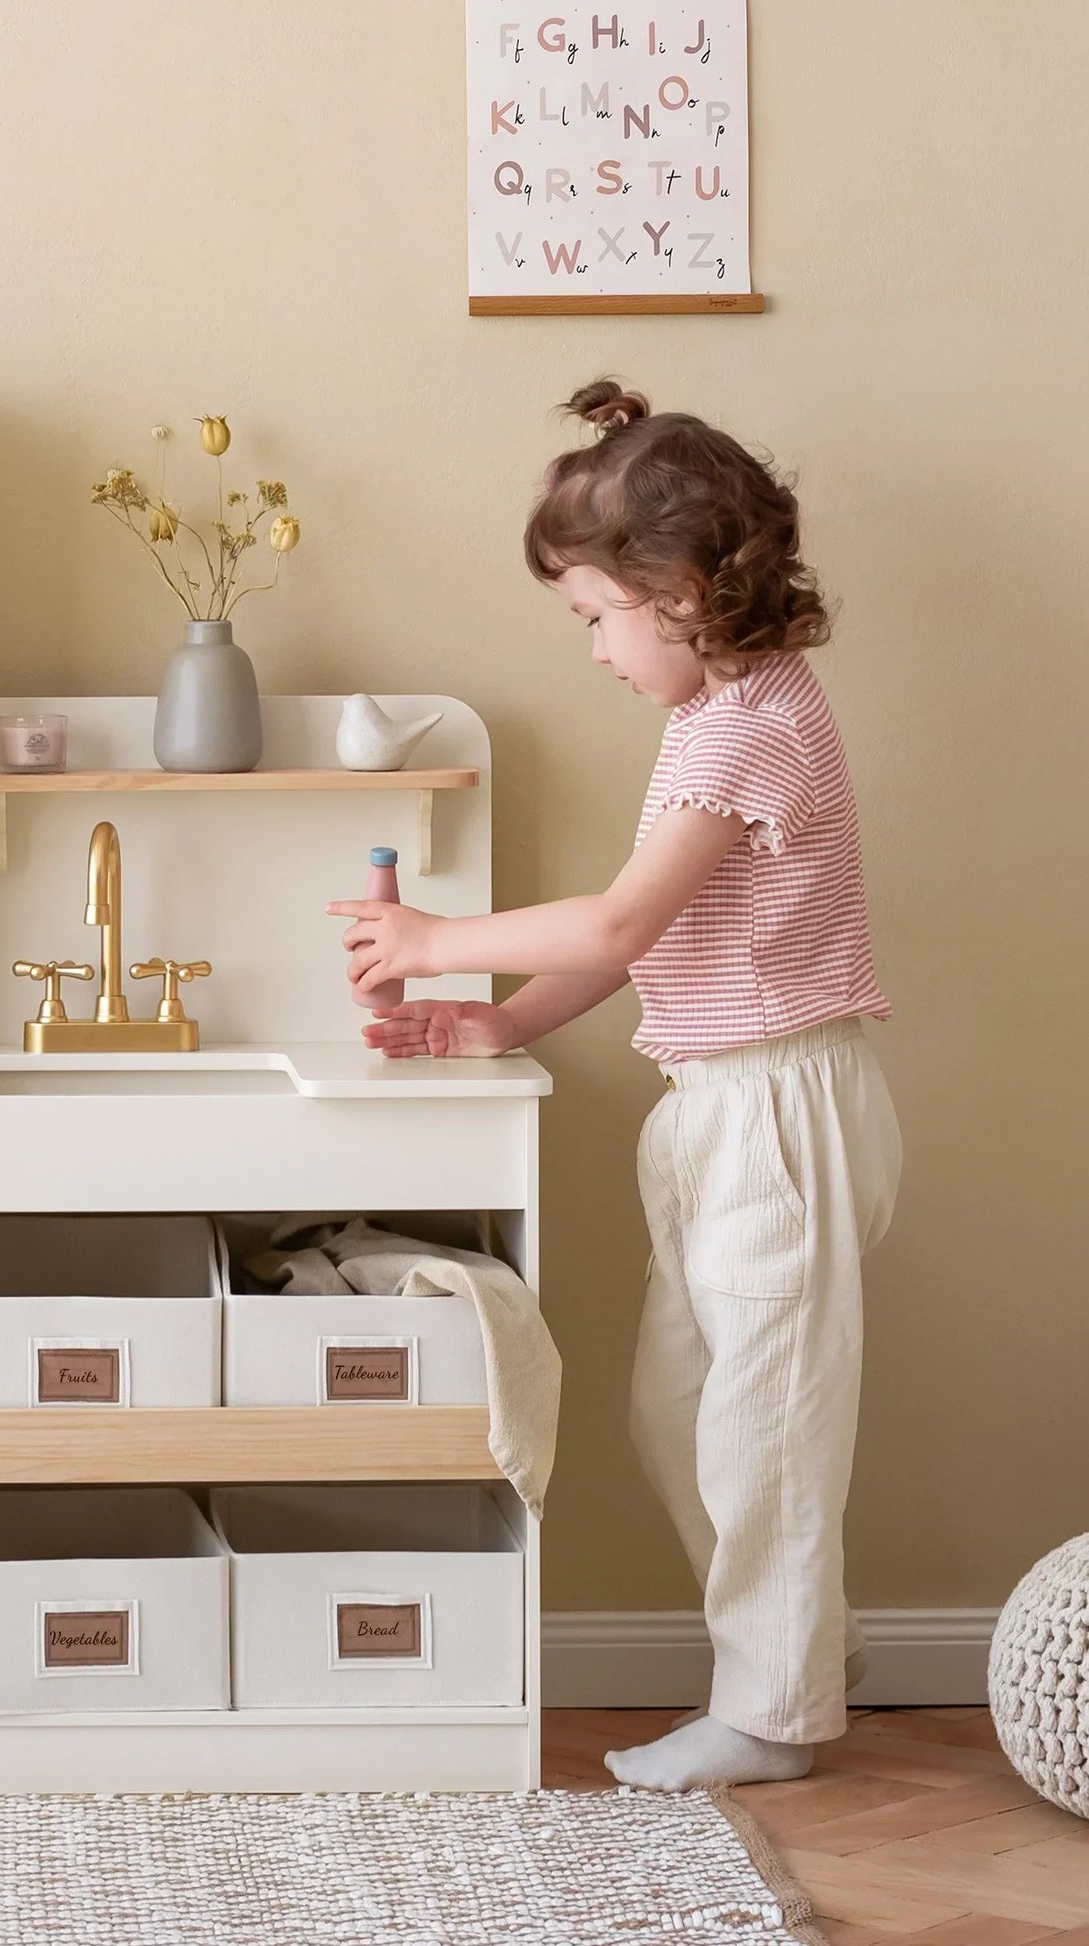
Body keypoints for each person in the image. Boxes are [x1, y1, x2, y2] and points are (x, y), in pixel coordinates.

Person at [328, 380, 901, 1789]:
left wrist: (437, 941)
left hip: (777, 1105)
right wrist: (492, 1024)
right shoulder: (715, 716)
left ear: (684, 589)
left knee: (761, 1418)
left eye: (593, 614)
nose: (589, 649)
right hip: (719, 1105)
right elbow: (644, 937)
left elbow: (614, 924)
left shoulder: (746, 731)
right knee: (683, 1409)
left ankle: (771, 1710)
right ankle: (795, 1646)